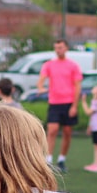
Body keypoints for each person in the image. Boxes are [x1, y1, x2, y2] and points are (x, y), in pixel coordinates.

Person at [36, 39, 84, 173]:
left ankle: (62, 159)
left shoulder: (73, 65)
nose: (58, 50)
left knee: (67, 132)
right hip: (54, 103)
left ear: (66, 48)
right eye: (56, 48)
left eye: (61, 47)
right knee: (52, 130)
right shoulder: (49, 64)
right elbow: (40, 81)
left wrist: (74, 106)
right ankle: (48, 159)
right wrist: (41, 88)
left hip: (69, 102)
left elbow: (77, 86)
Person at [80, 82, 97, 173]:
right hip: (96, 127)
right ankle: (96, 163)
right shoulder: (96, 101)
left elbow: (88, 112)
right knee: (96, 146)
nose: (94, 87)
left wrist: (83, 102)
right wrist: (90, 126)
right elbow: (93, 116)